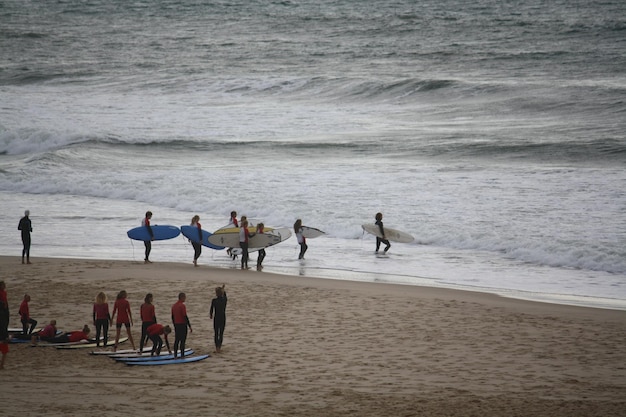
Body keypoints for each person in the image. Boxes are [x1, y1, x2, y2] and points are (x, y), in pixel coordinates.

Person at [171, 292, 192, 359]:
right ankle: (182, 356)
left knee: (176, 340)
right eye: (184, 297)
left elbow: (172, 317)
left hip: (176, 325)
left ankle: (175, 355)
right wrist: (189, 326)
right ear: (182, 297)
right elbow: (185, 316)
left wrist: (174, 325)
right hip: (182, 325)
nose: (185, 299)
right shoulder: (182, 306)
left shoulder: (174, 306)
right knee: (183, 341)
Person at [209, 284, 227, 353]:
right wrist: (223, 289)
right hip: (222, 317)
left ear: (216, 293)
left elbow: (211, 309)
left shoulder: (214, 300)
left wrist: (211, 315)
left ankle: (217, 348)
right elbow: (225, 295)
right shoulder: (224, 300)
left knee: (216, 333)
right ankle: (219, 347)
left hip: (216, 318)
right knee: (221, 333)